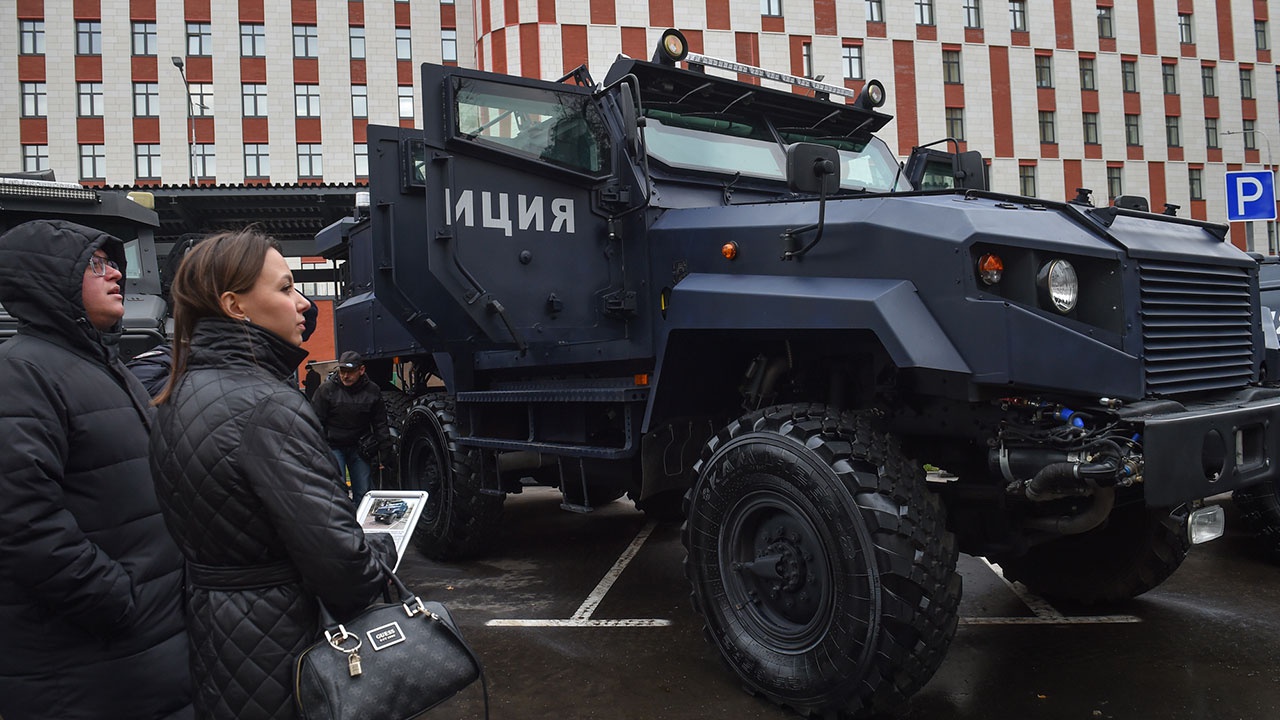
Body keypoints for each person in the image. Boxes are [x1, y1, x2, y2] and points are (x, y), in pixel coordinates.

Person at [148, 228, 396, 720]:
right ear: (235, 306)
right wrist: (380, 550)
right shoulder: (268, 404)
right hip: (283, 641)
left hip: (216, 631)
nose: (303, 302)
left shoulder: (179, 392)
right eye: (284, 288)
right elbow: (343, 568)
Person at [0, 219, 191, 720]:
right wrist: (115, 598)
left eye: (113, 264)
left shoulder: (107, 368)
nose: (115, 276)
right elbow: (21, 519)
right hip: (84, 660)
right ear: (48, 278)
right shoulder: (21, 373)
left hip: (140, 648)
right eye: (94, 265)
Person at [312, 350, 392, 508]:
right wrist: (318, 449)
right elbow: (315, 422)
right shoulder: (326, 390)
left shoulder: (372, 391)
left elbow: (380, 423)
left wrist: (384, 454)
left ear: (361, 370)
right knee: (337, 490)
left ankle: (362, 528)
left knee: (363, 492)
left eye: (350, 372)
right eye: (342, 371)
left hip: (359, 447)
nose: (345, 376)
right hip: (333, 446)